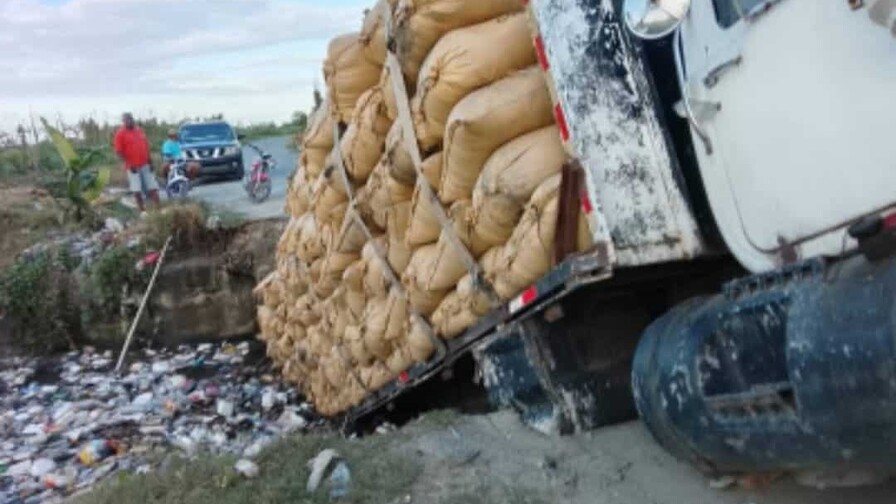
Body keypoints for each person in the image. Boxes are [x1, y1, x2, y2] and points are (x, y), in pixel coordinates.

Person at [113, 113, 160, 213]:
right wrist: (129, 164)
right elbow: (118, 152)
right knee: (136, 189)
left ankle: (158, 209)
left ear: (133, 119)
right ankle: (142, 211)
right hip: (133, 167)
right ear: (124, 122)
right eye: (126, 120)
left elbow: (146, 147)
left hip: (145, 164)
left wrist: (150, 162)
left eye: (130, 119)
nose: (129, 121)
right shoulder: (120, 134)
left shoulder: (139, 131)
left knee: (153, 186)